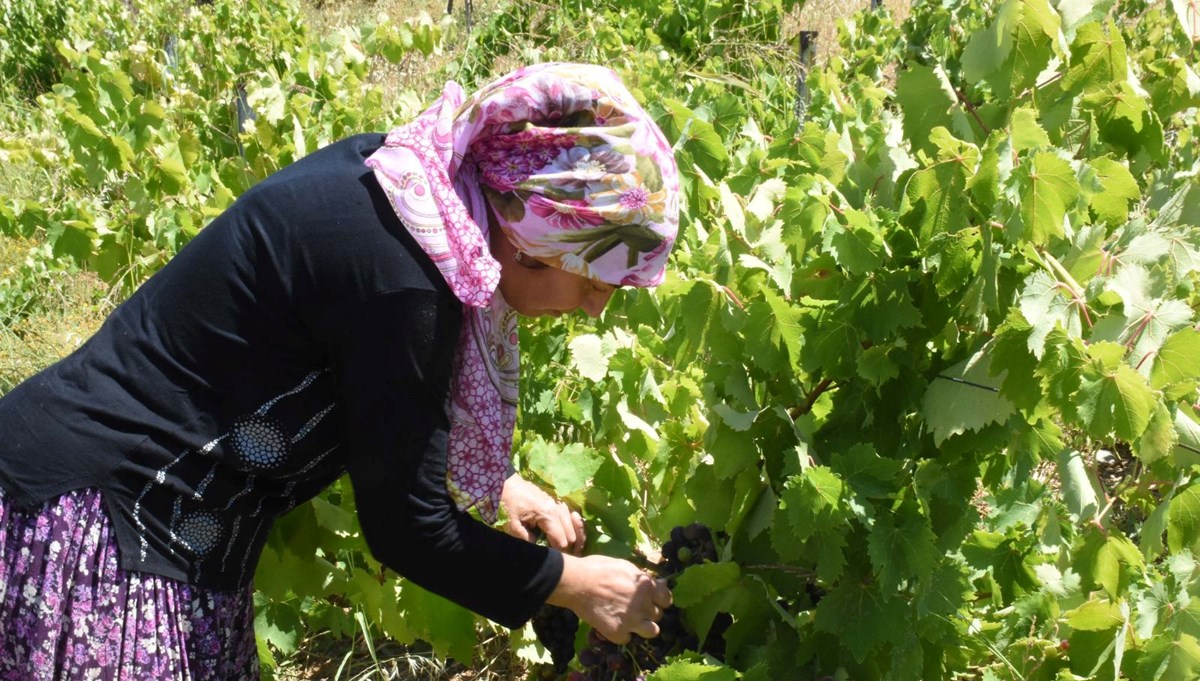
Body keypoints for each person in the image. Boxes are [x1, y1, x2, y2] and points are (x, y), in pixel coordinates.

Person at [0, 62, 681, 679]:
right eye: (597, 282)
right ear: (538, 237)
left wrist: (493, 483)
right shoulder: (406, 278)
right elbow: (407, 529)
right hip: (106, 532)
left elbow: (368, 387)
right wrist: (577, 582)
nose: (595, 309)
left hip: (160, 529)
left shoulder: (414, 188)